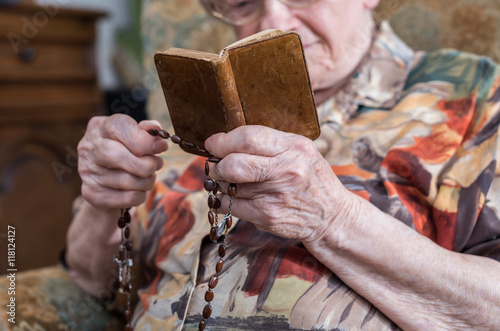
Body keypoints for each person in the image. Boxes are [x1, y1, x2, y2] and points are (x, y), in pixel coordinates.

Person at [67, 0, 500, 329]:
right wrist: (103, 202)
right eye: (243, 0)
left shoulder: (473, 95)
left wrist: (330, 218)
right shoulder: (196, 112)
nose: (273, 21)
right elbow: (96, 285)